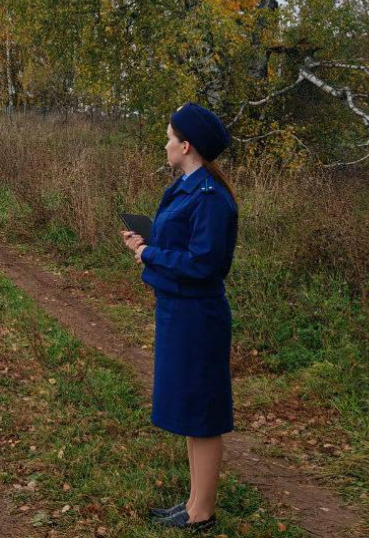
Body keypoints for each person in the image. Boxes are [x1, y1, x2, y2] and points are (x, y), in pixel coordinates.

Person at [121, 103, 238, 532]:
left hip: (198, 316)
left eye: (170, 137)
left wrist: (149, 253)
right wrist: (147, 242)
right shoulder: (187, 185)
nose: (165, 143)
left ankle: (202, 512)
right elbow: (181, 244)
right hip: (178, 310)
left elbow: (203, 264)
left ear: (186, 146)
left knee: (202, 412)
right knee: (190, 407)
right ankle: (192, 502)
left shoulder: (210, 196)